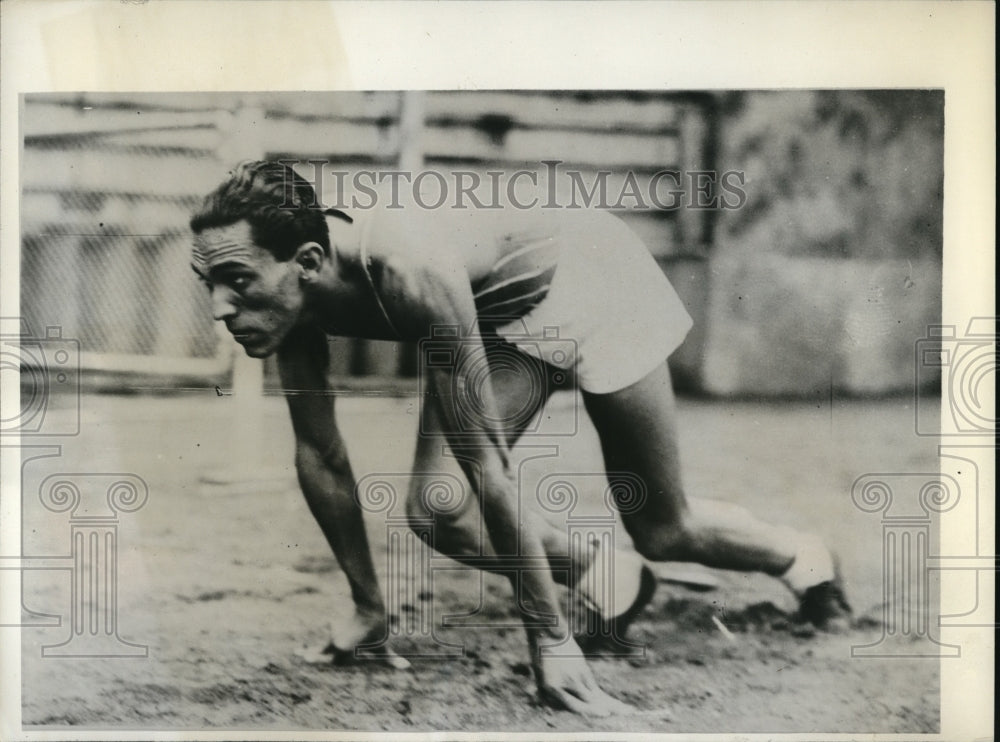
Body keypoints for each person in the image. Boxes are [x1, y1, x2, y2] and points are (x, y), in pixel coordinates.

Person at [189, 160, 851, 716]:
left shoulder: (407, 268)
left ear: (306, 261)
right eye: (211, 282)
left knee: (664, 529)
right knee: (441, 510)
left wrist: (551, 641)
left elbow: (490, 467)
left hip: (593, 277)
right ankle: (606, 572)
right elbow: (322, 454)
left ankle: (803, 558)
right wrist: (367, 608)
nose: (219, 307)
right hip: (507, 315)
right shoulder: (286, 296)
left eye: (237, 281)